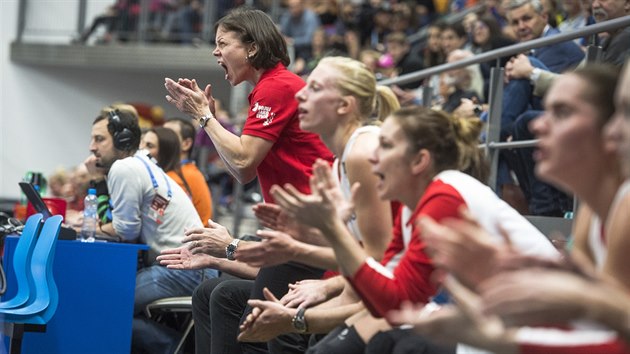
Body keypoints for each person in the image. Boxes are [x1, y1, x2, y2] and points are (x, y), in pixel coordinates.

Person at [246, 106, 557, 354]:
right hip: (492, 322)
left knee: (402, 345)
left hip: (540, 330)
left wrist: (323, 240)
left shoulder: (445, 196)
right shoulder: (415, 205)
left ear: (419, 161)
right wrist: (304, 250)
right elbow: (387, 298)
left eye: (386, 145)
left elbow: (394, 301)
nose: (373, 157)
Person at [388, 64, 628, 354]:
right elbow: (592, 324)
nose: (537, 124)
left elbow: (610, 332)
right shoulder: (593, 211)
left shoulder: (622, 208)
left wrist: (500, 336)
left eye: (562, 112)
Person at [162, 7, 334, 354]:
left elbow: (242, 159)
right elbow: (243, 172)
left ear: (252, 48)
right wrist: (205, 121)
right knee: (215, 293)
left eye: (223, 43)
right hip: (293, 228)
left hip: (312, 232)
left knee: (259, 318)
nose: (215, 52)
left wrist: (205, 117)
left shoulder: (277, 87)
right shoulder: (266, 89)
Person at [85, 106, 217, 354]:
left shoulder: (124, 168)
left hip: (185, 270)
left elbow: (126, 230)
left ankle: (179, 349)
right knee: (106, 302)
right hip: (194, 268)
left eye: (99, 139)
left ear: (122, 140)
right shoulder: (140, 163)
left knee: (105, 306)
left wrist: (90, 226)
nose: (92, 146)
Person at [164, 117, 214, 223]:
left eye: (170, 136)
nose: (162, 140)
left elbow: (204, 223)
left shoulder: (191, 176)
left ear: (186, 144)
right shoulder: (163, 171)